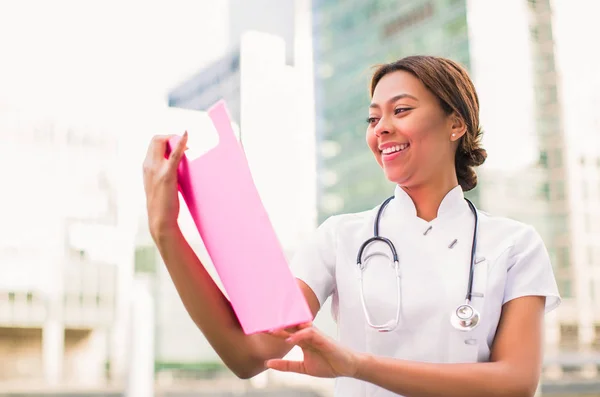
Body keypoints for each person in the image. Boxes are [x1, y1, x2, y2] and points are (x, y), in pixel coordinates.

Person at [142, 55, 561, 397]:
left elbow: (515, 382)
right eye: (373, 119)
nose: (381, 129)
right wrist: (166, 232)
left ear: (456, 123)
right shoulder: (339, 237)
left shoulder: (515, 244)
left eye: (401, 110)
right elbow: (250, 355)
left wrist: (357, 365)